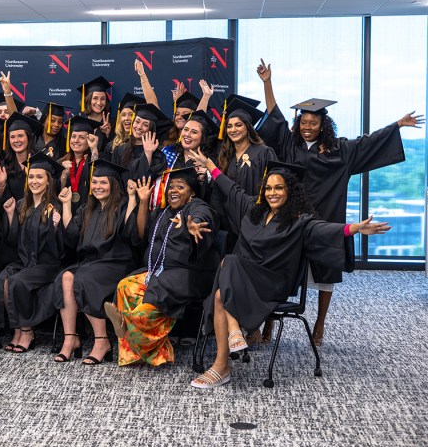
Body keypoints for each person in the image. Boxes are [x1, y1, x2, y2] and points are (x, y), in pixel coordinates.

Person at [186, 151, 391, 388]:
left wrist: (354, 228)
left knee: (228, 264)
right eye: (269, 188)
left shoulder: (299, 220)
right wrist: (210, 163)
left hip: (273, 284)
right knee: (221, 293)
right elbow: (230, 188)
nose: (272, 193)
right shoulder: (253, 208)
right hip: (243, 281)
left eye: (279, 188)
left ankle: (230, 342)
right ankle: (222, 363)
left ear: (289, 191)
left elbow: (324, 229)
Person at [255, 59, 423, 345]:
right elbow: (275, 115)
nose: (307, 126)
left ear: (323, 124)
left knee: (324, 273)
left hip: (325, 218)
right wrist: (267, 83)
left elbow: (368, 143)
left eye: (313, 122)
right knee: (278, 270)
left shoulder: (338, 150)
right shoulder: (288, 144)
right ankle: (270, 324)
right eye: (304, 122)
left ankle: (320, 324)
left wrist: (397, 124)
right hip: (289, 219)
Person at [104, 169, 219, 367]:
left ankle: (129, 327)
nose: (173, 190)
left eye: (180, 187)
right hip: (157, 270)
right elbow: (141, 234)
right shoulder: (164, 212)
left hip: (188, 273)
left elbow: (201, 218)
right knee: (126, 285)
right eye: (171, 187)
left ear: (192, 192)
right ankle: (138, 347)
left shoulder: (197, 207)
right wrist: (142, 202)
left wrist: (194, 227)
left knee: (156, 294)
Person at [53, 159, 136, 365]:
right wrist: (65, 206)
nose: (98, 187)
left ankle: (102, 341)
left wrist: (134, 198)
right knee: (66, 278)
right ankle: (70, 338)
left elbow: (130, 231)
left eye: (103, 183)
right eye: (95, 182)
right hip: (91, 262)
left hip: (116, 262)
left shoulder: (122, 205)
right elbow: (71, 236)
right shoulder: (86, 209)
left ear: (114, 185)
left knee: (84, 278)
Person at [0, 153, 65, 353]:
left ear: (48, 181)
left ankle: (27, 331)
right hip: (25, 262)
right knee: (3, 279)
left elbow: (60, 247)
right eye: (31, 177)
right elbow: (13, 240)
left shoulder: (54, 207)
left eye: (39, 177)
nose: (34, 181)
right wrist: (9, 215)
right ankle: (17, 329)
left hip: (46, 264)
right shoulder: (23, 204)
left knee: (17, 281)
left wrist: (56, 228)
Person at [0, 112, 41, 206]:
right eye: (12, 137)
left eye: (20, 136)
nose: (16, 140)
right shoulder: (3, 166)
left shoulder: (39, 163)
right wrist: (1, 184)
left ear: (28, 137)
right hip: (11, 217)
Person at [111, 103, 170, 184]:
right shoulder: (119, 150)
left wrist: (148, 153)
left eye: (145, 125)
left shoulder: (158, 154)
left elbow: (144, 179)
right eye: (137, 121)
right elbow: (114, 179)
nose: (139, 127)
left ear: (151, 129)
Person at [58, 115, 101, 213]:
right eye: (73, 136)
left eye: (82, 137)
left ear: (89, 140)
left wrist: (94, 149)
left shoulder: (94, 160)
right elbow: (55, 192)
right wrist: (64, 176)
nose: (76, 140)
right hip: (65, 211)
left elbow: (97, 174)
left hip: (89, 212)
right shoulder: (61, 163)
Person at [78, 76, 113, 152]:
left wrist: (108, 135)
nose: (99, 103)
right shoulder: (80, 123)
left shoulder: (112, 123)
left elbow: (114, 154)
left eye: (103, 99)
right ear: (88, 100)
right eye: (95, 98)